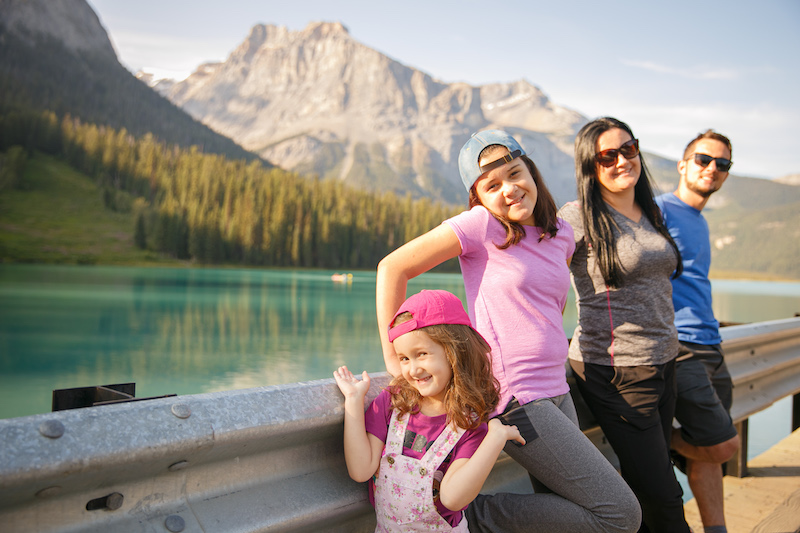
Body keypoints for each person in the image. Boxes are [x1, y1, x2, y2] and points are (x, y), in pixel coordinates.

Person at [376, 130, 641, 532]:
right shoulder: (480, 226)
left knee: (566, 513)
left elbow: (549, 306)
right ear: (478, 196)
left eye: (515, 174)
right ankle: (473, 516)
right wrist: (395, 358)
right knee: (620, 515)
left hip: (558, 390)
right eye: (492, 185)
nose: (510, 189)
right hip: (515, 398)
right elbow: (393, 268)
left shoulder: (561, 235)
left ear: (531, 172)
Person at [558, 116, 690, 533]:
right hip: (615, 371)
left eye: (628, 149)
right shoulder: (577, 217)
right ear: (589, 166)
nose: (621, 161)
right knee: (665, 498)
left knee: (646, 488)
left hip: (665, 361)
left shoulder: (650, 209)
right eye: (607, 156)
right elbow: (537, 274)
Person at [334, 289, 525, 531]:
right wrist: (353, 399)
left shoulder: (469, 424)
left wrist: (495, 438)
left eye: (421, 354)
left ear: (455, 351)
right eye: (404, 358)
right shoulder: (391, 404)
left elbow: (453, 498)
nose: (413, 370)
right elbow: (361, 470)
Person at [656, 130, 740, 533]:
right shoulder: (659, 211)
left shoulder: (700, 222)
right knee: (724, 443)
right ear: (683, 163)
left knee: (710, 455)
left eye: (722, 164)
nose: (712, 169)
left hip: (711, 343)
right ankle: (662, 442)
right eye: (704, 159)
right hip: (680, 345)